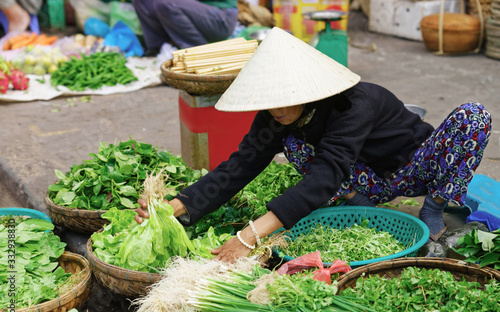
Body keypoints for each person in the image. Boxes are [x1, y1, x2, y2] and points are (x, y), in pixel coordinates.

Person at [136, 27, 492, 262]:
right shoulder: (277, 112)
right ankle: (362, 202)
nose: (276, 110)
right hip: (366, 177)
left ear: (307, 90)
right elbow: (242, 163)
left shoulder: (354, 103)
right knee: (295, 144)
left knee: (474, 116)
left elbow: (324, 177)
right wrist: (177, 206)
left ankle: (434, 205)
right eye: (269, 102)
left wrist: (249, 236)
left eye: (283, 101)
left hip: (415, 167)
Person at [131, 0, 238, 54]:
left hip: (221, 18)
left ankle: (197, 53)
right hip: (195, 12)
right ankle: (161, 49)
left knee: (167, 3)